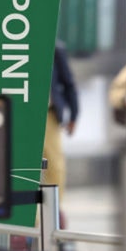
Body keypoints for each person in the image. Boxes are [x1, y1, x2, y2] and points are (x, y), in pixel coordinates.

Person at [44, 41, 79, 203]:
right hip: (22, 115)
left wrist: (73, 114)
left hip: (49, 115)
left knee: (55, 164)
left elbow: (68, 83)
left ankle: (56, 209)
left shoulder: (54, 48)